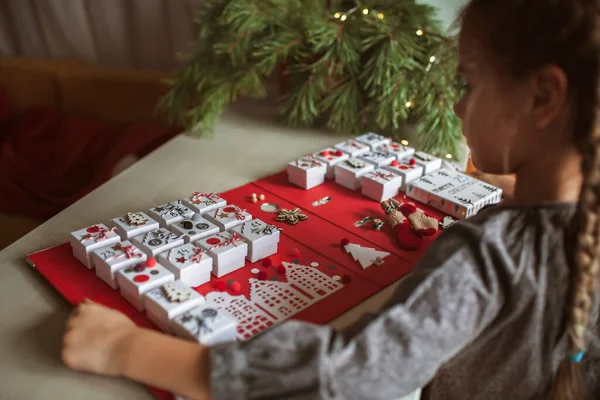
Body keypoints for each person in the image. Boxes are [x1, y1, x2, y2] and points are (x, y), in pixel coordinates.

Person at [61, 1, 600, 399]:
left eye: (468, 82)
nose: (456, 108)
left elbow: (353, 375)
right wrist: (507, 189)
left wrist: (124, 349)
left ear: (542, 97)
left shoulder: (487, 257)